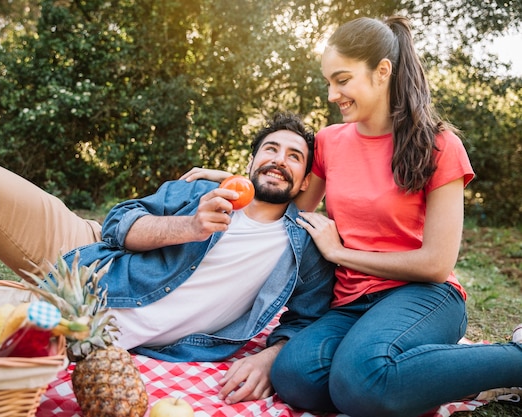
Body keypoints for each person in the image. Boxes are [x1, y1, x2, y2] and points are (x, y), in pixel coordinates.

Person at [182, 16, 522, 417]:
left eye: (341, 80)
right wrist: (231, 179)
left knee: (361, 382)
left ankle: (514, 356)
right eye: (329, 82)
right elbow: (293, 201)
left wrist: (341, 254)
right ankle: (424, 377)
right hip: (350, 302)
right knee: (296, 379)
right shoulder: (330, 142)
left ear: (382, 71)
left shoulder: (440, 145)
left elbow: (436, 264)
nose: (332, 94)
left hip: (426, 296)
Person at [0, 112, 335, 404]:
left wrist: (266, 358)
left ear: (302, 184)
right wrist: (190, 226)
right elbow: (118, 221)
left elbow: (307, 318)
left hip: (87, 325)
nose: (280, 160)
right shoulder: (205, 193)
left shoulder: (303, 247)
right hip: (89, 258)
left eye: (295, 156)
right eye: (271, 150)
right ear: (252, 162)